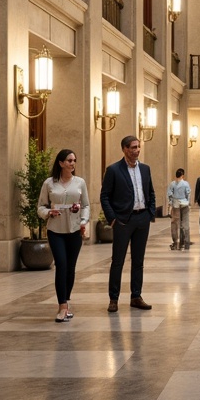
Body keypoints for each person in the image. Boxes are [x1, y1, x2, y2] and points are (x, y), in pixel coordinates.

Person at [100, 135, 156, 312]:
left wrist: (150, 213)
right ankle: (113, 298)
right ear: (124, 149)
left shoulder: (145, 169)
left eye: (138, 147)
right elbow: (104, 196)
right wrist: (113, 219)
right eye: (133, 147)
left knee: (138, 261)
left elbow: (151, 193)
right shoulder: (114, 170)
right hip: (123, 220)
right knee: (118, 261)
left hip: (142, 219)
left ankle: (136, 296)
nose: (137, 150)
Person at [38, 148, 90, 322]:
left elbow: (86, 205)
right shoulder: (49, 183)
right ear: (61, 163)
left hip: (75, 230)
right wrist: (48, 212)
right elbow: (40, 207)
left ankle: (66, 300)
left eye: (74, 160)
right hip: (56, 230)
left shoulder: (80, 182)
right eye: (69, 161)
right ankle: (62, 307)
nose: (72, 163)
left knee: (70, 268)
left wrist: (83, 221)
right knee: (61, 265)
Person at [166, 167, 191, 250]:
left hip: (175, 204)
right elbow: (188, 194)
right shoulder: (186, 184)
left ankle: (175, 242)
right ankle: (186, 242)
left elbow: (169, 195)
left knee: (174, 223)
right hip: (184, 204)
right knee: (185, 223)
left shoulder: (172, 184)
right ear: (182, 175)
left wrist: (171, 203)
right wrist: (187, 201)